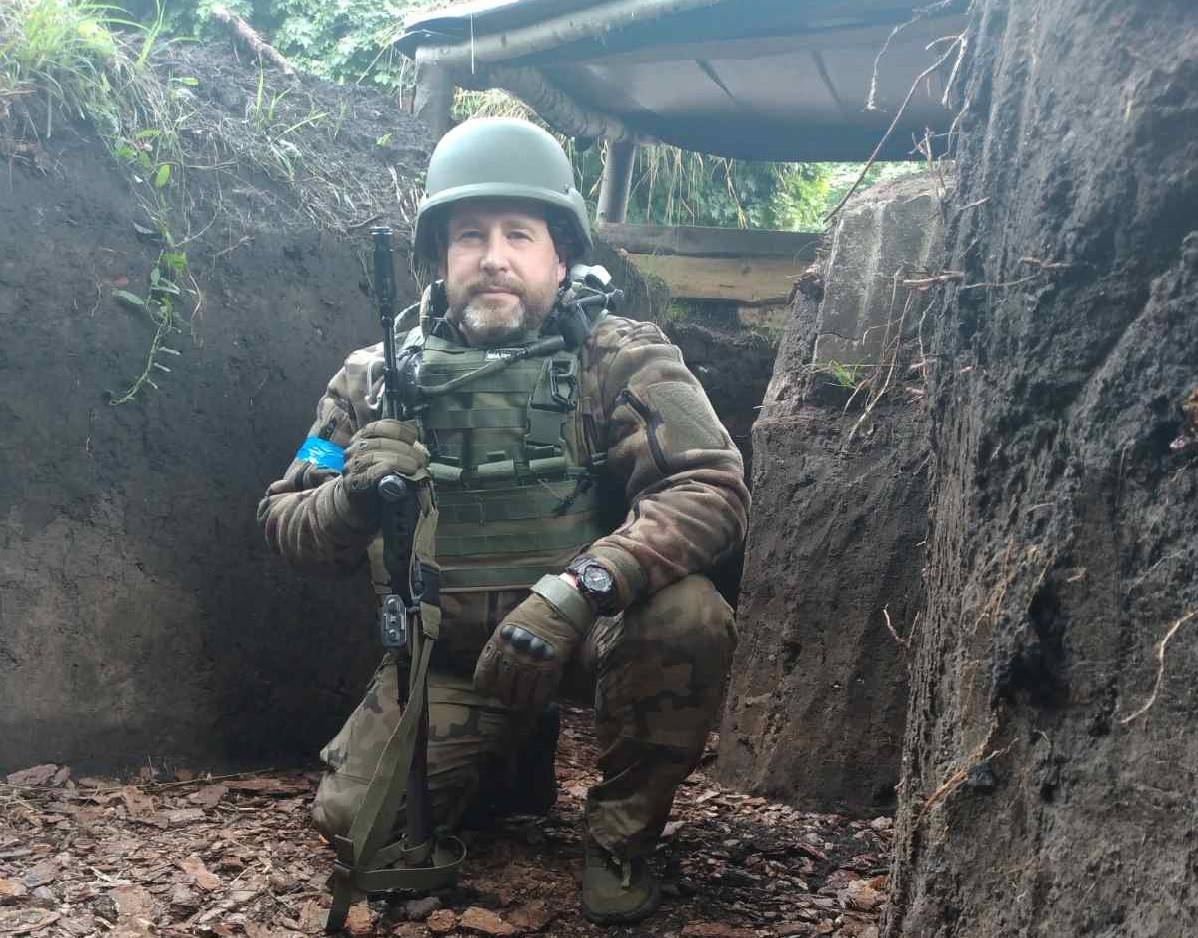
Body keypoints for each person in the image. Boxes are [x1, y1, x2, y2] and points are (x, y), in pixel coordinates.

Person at [257, 116, 749, 925]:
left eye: (519, 233)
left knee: (688, 616)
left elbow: (709, 486)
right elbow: (283, 518)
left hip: (585, 634)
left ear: (560, 257)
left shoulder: (619, 357)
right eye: (469, 236)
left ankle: (620, 839)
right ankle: (508, 759)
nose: (493, 256)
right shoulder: (374, 378)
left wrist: (577, 591)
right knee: (359, 834)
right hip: (445, 660)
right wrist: (351, 498)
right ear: (438, 259)